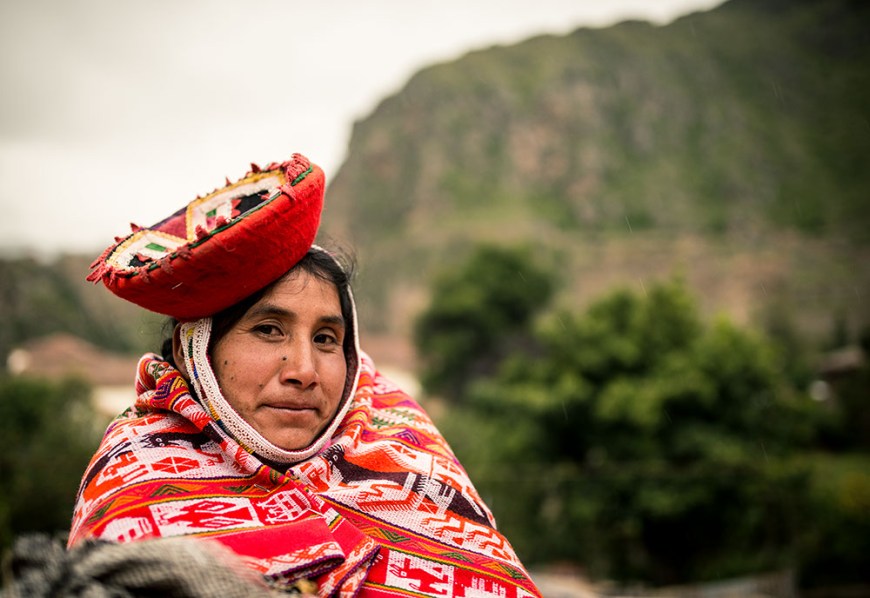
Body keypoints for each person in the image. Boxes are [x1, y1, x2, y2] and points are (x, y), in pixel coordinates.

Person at [70, 153, 542, 597]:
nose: (304, 371)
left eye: (325, 339)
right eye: (269, 330)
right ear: (195, 350)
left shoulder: (407, 451)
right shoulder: (137, 479)